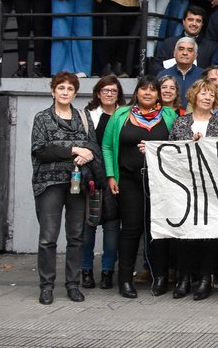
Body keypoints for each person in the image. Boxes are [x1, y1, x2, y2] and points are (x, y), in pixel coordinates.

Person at [102, 76, 179, 298]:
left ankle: (160, 277)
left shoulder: (169, 115)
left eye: (152, 90)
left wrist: (157, 147)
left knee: (158, 230)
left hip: (160, 183)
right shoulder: (120, 115)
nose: (148, 93)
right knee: (131, 229)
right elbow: (107, 147)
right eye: (143, 89)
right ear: (137, 92)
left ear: (158, 94)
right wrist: (110, 175)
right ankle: (125, 280)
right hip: (128, 180)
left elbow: (177, 146)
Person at [30, 72, 99, 304]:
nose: (65, 92)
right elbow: (42, 150)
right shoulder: (42, 118)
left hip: (76, 183)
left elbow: (92, 145)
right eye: (61, 88)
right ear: (53, 91)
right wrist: (74, 150)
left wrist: (86, 152)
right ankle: (46, 286)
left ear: (75, 93)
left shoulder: (83, 117)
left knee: (76, 236)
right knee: (48, 238)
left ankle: (72, 284)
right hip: (49, 184)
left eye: (70, 88)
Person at [167, 78, 218, 301]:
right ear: (194, 96)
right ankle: (184, 277)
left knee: (209, 233)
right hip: (184, 186)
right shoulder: (180, 123)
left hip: (212, 186)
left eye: (211, 95)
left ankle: (206, 277)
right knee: (185, 233)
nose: (207, 97)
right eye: (203, 93)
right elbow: (169, 152)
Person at [80, 76, 122, 290]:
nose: (109, 94)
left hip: (116, 178)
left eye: (113, 91)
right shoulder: (88, 116)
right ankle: (86, 271)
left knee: (112, 227)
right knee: (88, 226)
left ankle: (108, 272)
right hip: (93, 179)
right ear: (98, 93)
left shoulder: (125, 114)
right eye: (105, 90)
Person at [156, 36, 203, 103]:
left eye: (189, 50)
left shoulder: (203, 75)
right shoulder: (163, 75)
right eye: (181, 49)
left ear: (195, 56)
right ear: (174, 53)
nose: (185, 53)